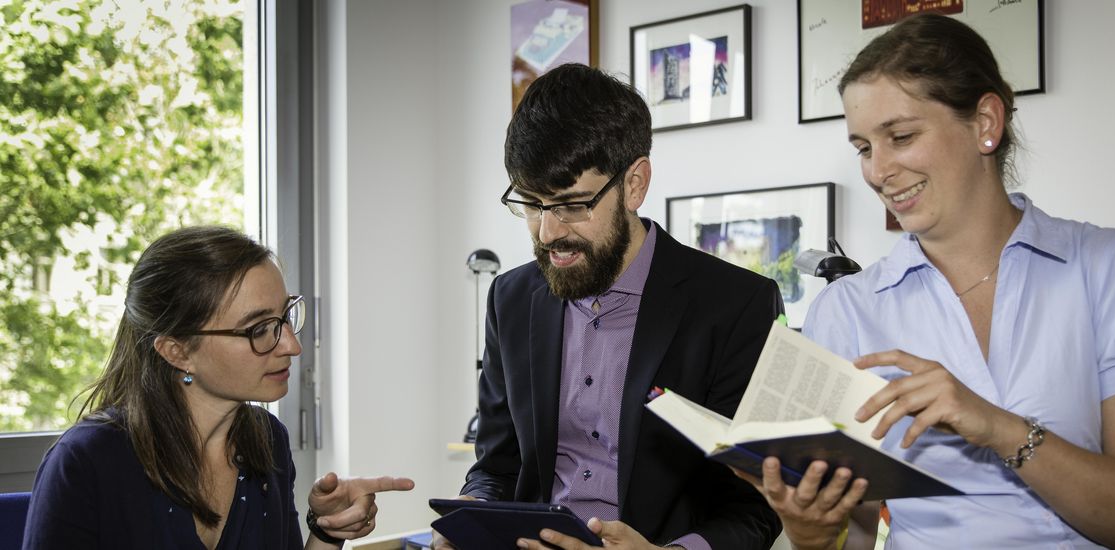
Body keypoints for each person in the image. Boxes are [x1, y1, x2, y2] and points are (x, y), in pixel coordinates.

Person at [737, 13, 1115, 549]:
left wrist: (996, 426)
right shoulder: (847, 310)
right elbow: (855, 535)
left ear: (985, 123)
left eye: (901, 136)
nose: (877, 171)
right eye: (863, 147)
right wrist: (812, 531)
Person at [433, 63, 785, 549]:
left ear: (635, 183)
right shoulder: (510, 300)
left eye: (573, 205)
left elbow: (755, 508)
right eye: (531, 204)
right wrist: (475, 512)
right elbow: (497, 465)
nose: (548, 232)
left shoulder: (737, 305)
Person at [23, 226, 415, 549]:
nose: (292, 345)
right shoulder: (87, 461)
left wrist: (328, 530)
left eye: (285, 316)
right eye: (259, 329)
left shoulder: (265, 440)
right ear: (177, 351)